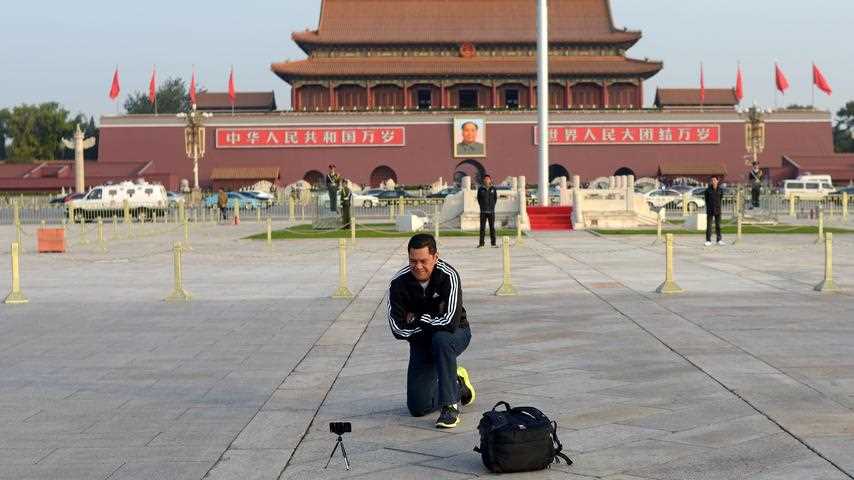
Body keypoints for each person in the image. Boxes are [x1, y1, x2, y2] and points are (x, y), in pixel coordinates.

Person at [388, 234, 475, 429]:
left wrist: (417, 318)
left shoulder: (449, 276)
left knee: (441, 339)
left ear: (435, 257)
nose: (418, 266)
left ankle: (450, 407)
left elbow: (451, 321)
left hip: (456, 334)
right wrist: (429, 324)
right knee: (418, 407)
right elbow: (397, 328)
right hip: (420, 341)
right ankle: (458, 384)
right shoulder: (398, 283)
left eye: (423, 261)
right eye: (413, 261)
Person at [476, 175, 498, 248]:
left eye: (488, 179)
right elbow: (479, 199)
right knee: (482, 228)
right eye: (485, 179)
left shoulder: (493, 189)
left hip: (491, 212)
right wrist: (482, 206)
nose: (486, 180)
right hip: (483, 212)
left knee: (492, 228)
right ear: (484, 181)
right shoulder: (481, 189)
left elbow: (495, 199)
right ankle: (481, 244)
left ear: (490, 180)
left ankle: (493, 243)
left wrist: (492, 207)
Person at [704, 176, 724, 246]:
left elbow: (721, 198)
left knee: (718, 225)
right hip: (710, 210)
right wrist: (709, 207)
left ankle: (719, 240)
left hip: (718, 210)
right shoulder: (707, 190)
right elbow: (706, 200)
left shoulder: (720, 190)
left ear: (717, 181)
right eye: (712, 180)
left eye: (715, 180)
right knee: (709, 226)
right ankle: (708, 240)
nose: (713, 182)